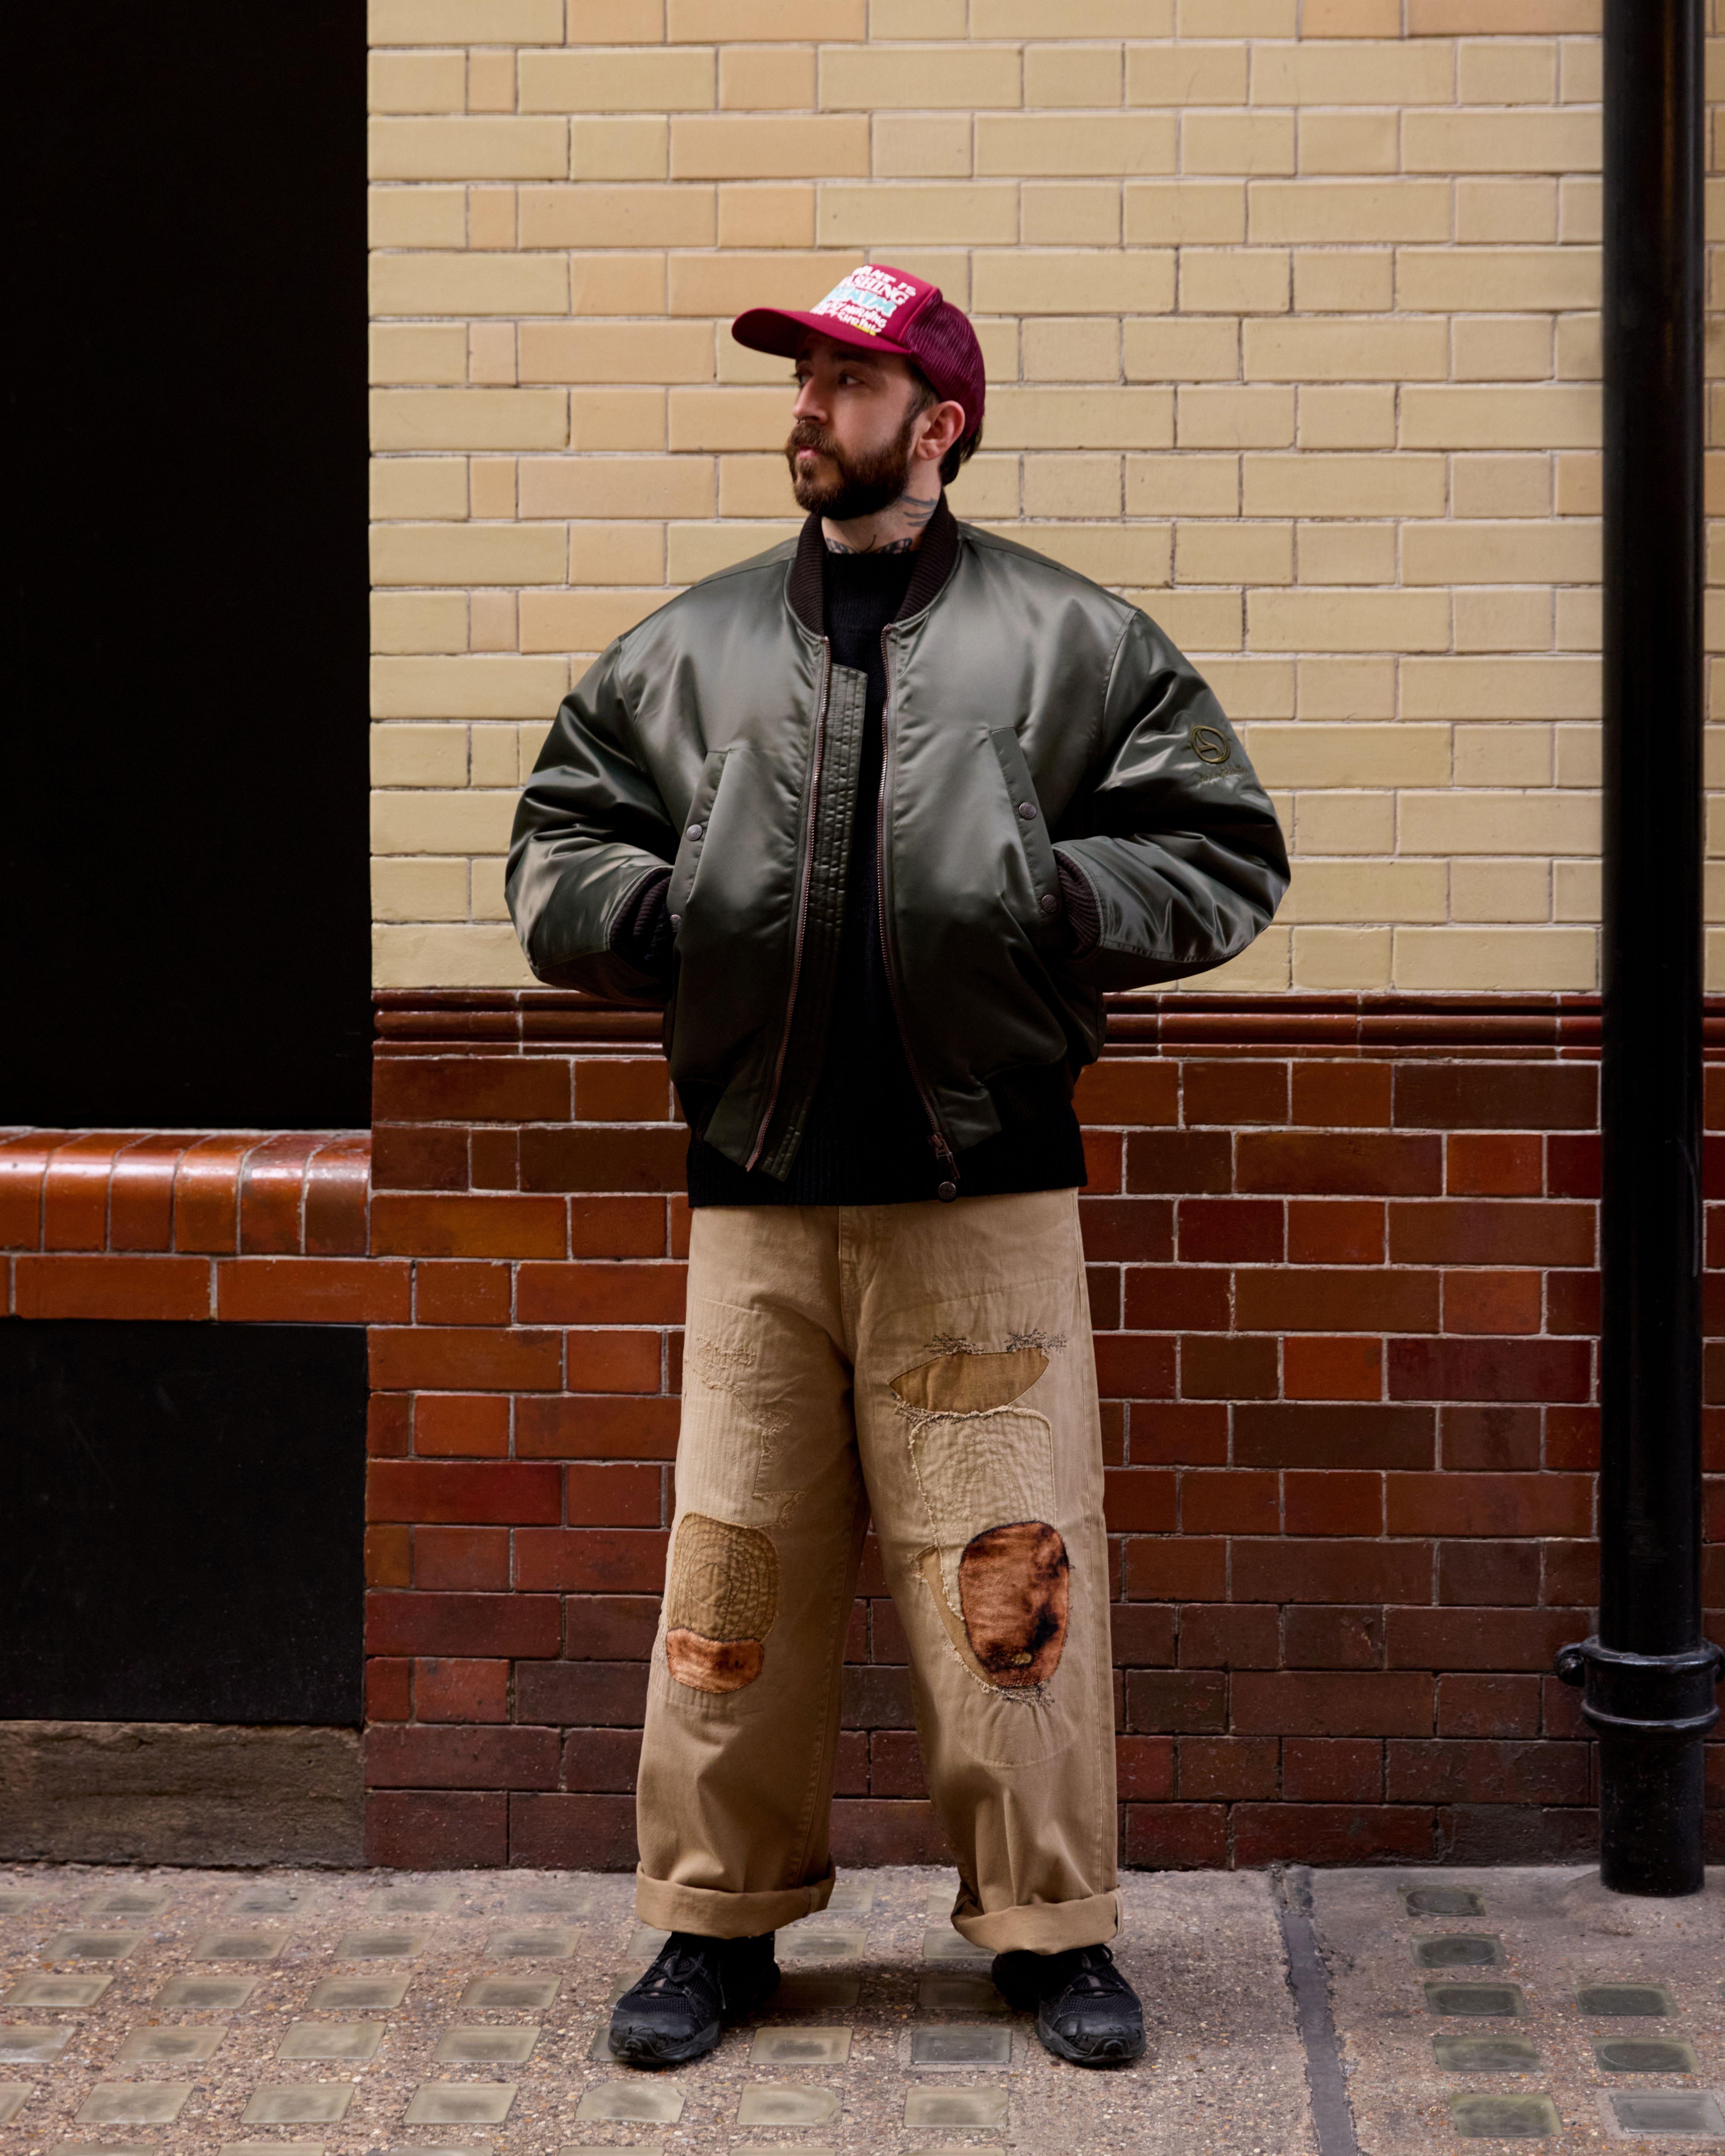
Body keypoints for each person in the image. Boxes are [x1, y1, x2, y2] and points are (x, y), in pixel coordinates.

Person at [507, 263, 1288, 2071]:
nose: (806, 409)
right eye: (800, 379)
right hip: (758, 1192)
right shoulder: (686, 648)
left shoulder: (1076, 641)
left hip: (983, 1191)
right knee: (732, 1579)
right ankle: (712, 1925)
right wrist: (663, 918)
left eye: (844, 384)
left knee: (1012, 1582)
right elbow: (561, 843)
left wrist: (1055, 897)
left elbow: (1221, 850)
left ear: (936, 424)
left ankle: (1049, 1931)